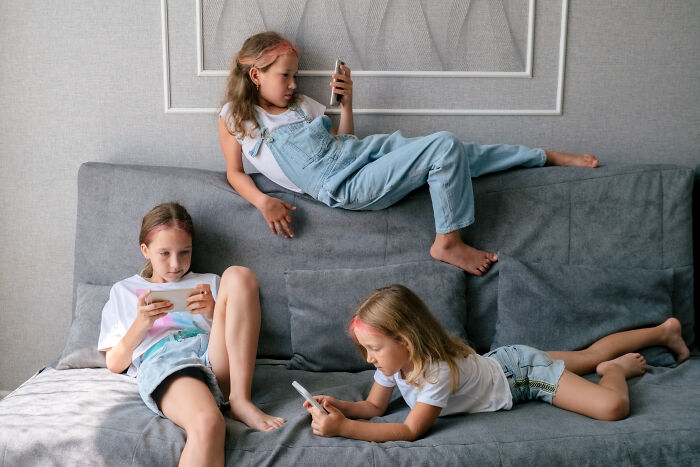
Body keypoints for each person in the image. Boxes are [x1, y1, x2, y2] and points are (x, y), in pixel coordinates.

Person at [218, 31, 599, 275]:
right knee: (444, 144)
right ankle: (447, 241)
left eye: (294, 75)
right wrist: (263, 201)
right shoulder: (236, 119)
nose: (293, 83)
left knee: (458, 153)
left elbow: (342, 140)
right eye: (285, 75)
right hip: (343, 184)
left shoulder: (302, 105)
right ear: (256, 75)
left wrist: (347, 105)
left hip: (359, 153)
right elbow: (235, 173)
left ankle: (540, 157)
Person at [303, 284, 690, 442]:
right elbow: (373, 407)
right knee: (588, 356)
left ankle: (618, 369)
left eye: (374, 348)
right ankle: (664, 332)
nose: (369, 359)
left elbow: (409, 430)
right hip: (505, 361)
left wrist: (345, 429)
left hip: (523, 375)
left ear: (405, 341)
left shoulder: (435, 371)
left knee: (612, 405)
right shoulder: (390, 364)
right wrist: (340, 407)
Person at [98, 202, 285, 466]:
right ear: (145, 251)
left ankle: (240, 401)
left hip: (214, 358)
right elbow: (115, 363)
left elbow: (234, 334)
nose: (176, 265)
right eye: (164, 253)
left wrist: (213, 312)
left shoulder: (209, 282)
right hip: (168, 361)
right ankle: (224, 406)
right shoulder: (125, 291)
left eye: (184, 252)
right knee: (207, 423)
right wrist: (142, 323)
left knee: (239, 275)